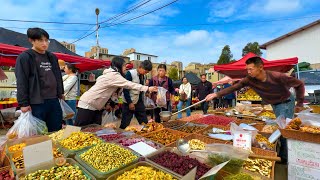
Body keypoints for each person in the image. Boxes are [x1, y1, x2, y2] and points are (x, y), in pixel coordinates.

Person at [206, 56, 305, 163]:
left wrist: (299, 103)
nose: (248, 72)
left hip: (285, 102)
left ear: (260, 67)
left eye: (251, 69)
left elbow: (299, 84)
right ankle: (281, 152)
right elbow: (235, 87)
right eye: (247, 69)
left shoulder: (276, 76)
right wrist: (216, 94)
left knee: (284, 130)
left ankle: (285, 158)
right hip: (275, 104)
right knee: (280, 129)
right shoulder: (249, 79)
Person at [75, 57, 157, 126]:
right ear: (118, 66)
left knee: (95, 130)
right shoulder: (114, 75)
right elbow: (128, 84)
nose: (125, 68)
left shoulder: (113, 75)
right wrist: (147, 88)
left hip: (96, 106)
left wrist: (110, 104)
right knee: (80, 130)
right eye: (124, 66)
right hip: (87, 104)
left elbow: (110, 93)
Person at [15, 28, 63, 132]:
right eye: (41, 40)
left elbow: (58, 76)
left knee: (56, 130)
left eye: (46, 40)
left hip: (54, 100)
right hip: (36, 102)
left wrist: (60, 92)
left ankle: (54, 148)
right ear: (31, 40)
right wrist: (23, 103)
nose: (45, 43)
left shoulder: (52, 57)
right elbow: (21, 80)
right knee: (37, 133)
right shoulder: (25, 57)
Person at [120, 60, 153, 129]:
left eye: (147, 72)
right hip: (128, 102)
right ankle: (121, 135)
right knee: (125, 123)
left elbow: (141, 88)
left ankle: (146, 134)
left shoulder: (143, 76)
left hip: (139, 101)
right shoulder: (130, 73)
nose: (146, 73)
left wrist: (146, 93)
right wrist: (130, 103)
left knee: (144, 122)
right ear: (140, 67)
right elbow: (125, 89)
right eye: (145, 71)